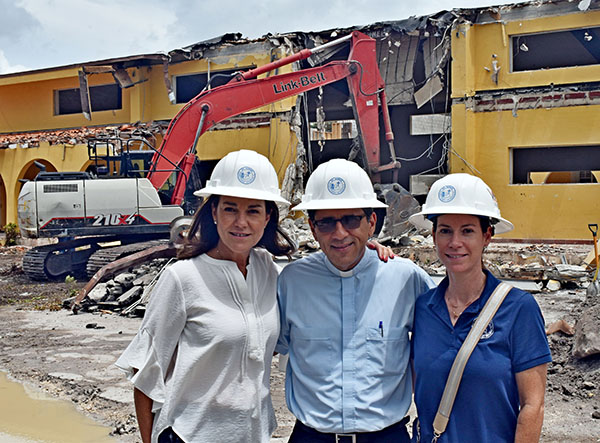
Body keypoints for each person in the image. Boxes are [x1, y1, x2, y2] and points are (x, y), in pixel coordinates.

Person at [115, 149, 295, 443]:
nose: (240, 222)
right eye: (230, 209)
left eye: (252, 211)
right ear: (213, 212)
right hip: (191, 435)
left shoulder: (271, 273)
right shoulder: (183, 278)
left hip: (254, 434)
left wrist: (373, 254)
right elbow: (146, 371)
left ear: (268, 217)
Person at [276, 158, 435, 443]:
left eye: (351, 220)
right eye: (326, 223)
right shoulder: (291, 282)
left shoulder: (406, 279)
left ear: (371, 222)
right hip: (312, 437)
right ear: (312, 228)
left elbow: (441, 346)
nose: (339, 234)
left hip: (387, 436)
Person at [408, 173, 551, 443]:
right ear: (433, 235)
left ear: (487, 236)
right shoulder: (424, 308)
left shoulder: (519, 309)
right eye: (445, 230)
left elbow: (533, 405)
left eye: (468, 231)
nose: (454, 242)